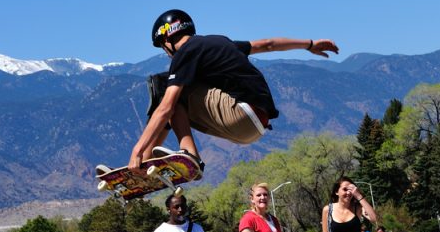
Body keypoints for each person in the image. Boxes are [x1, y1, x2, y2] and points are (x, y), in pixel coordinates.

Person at [130, 10, 339, 172]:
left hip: (241, 114)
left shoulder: (186, 51)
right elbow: (268, 45)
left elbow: (166, 108)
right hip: (256, 125)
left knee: (164, 88)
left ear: (167, 39)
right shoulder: (220, 42)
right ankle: (148, 164)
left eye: (162, 47)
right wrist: (309, 44)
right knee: (176, 95)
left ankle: (175, 155)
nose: (167, 54)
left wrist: (137, 150)